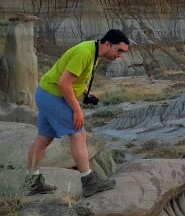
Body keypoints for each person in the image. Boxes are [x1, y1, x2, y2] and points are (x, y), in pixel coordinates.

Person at [24, 29, 129, 197]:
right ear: (108, 44)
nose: (121, 55)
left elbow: (75, 78)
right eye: (120, 50)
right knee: (78, 133)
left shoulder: (93, 51)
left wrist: (85, 92)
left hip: (45, 93)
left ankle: (31, 182)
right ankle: (89, 181)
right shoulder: (85, 53)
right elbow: (64, 83)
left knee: (44, 138)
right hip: (53, 95)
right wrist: (77, 110)